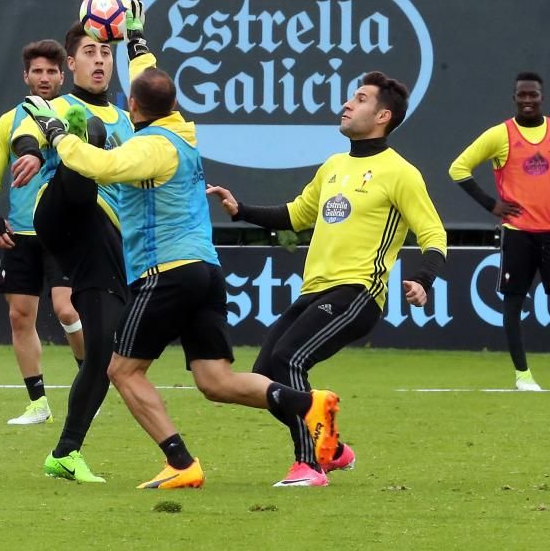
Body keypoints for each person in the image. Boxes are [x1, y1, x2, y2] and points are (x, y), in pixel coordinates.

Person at [23, 27, 343, 488]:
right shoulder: (182, 129)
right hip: (206, 271)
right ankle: (305, 403)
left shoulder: (150, 147)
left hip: (166, 272)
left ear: (133, 108)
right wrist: (137, 43)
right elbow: (149, 82)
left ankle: (180, 462)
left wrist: (56, 134)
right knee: (216, 381)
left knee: (122, 370)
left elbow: (97, 166)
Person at [208, 71, 447, 478]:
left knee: (288, 359)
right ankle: (332, 449)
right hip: (313, 292)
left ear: (383, 115)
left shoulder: (400, 172)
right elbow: (297, 214)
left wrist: (423, 280)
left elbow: (434, 235)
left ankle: (309, 464)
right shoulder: (334, 166)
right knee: (265, 377)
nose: (347, 104)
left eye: (360, 98)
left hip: (358, 292)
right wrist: (241, 209)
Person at [9, 5, 153, 483]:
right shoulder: (60, 106)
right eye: (88, 53)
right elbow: (28, 126)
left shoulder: (129, 118)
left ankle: (65, 452)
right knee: (84, 139)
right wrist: (31, 151)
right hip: (63, 212)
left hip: (103, 241)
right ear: (70, 64)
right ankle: (71, 152)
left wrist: (137, 39)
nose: (98, 61)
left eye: (105, 53)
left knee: (104, 354)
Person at [449, 72, 550, 392]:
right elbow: (458, 168)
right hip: (517, 233)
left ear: (542, 97)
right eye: (522, 95)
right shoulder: (500, 135)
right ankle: (523, 376)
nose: (528, 100)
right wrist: (492, 205)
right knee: (513, 303)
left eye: (533, 94)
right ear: (515, 98)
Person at [0, 39, 86, 425]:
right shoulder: (10, 121)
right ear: (26, 76)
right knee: (20, 317)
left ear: (63, 75)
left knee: (66, 308)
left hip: (64, 231)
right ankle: (38, 403)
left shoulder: (76, 115)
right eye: (36, 71)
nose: (44, 78)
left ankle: (88, 377)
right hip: (21, 234)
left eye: (51, 72)